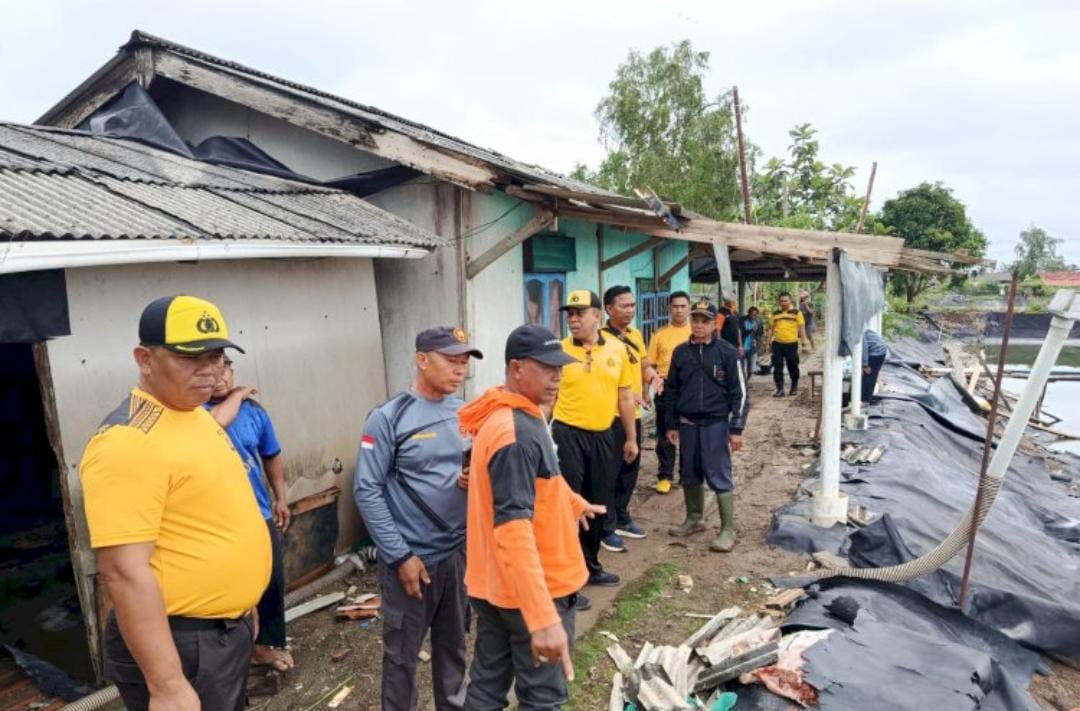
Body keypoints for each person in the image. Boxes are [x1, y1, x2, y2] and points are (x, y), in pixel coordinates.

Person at [79, 295, 269, 711]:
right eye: (190, 358)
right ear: (145, 359)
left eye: (216, 357)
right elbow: (123, 572)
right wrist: (166, 684)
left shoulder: (194, 413)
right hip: (182, 644)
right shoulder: (127, 442)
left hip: (219, 631)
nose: (209, 371)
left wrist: (241, 601)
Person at [460, 325, 605, 710]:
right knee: (542, 697)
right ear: (516, 368)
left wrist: (572, 504)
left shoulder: (508, 415)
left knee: (486, 688)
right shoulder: (517, 432)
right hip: (532, 590)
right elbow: (512, 526)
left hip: (493, 585)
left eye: (560, 367)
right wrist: (542, 617)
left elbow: (535, 485)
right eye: (547, 367)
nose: (557, 376)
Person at [353, 327, 483, 711]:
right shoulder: (388, 418)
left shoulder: (463, 412)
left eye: (464, 362)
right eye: (450, 360)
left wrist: (470, 479)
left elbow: (471, 469)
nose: (459, 371)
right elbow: (367, 490)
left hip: (456, 556)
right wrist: (399, 556)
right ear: (422, 360)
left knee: (454, 646)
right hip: (413, 561)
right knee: (402, 657)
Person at [207, 358, 292, 673]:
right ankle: (232, 650)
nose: (219, 377)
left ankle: (263, 645)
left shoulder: (255, 412)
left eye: (224, 369)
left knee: (271, 580)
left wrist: (281, 498)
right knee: (231, 584)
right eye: (211, 371)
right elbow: (217, 422)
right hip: (216, 520)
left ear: (232, 370)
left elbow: (271, 455)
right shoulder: (194, 415)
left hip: (257, 512)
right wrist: (238, 395)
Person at [551, 290, 638, 595]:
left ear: (597, 316)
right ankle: (567, 578)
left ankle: (591, 566)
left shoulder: (617, 350)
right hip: (566, 434)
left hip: (604, 435)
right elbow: (547, 399)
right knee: (569, 504)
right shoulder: (557, 352)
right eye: (570, 314)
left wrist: (630, 437)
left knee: (599, 503)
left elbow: (625, 396)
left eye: (580, 313)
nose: (573, 319)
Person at [664, 300, 749, 552]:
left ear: (715, 324)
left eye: (705, 321)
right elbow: (671, 390)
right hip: (688, 423)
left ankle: (727, 529)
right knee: (689, 472)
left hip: (716, 424)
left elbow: (740, 393)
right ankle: (694, 519)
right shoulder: (680, 352)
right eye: (696, 320)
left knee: (718, 474)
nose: (699, 325)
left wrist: (736, 429)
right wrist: (671, 424)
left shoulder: (726, 352)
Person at [600, 285, 655, 553]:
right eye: (625, 305)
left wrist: (652, 377)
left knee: (629, 469)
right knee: (608, 473)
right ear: (609, 309)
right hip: (610, 416)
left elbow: (643, 365)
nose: (631, 310)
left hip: (633, 415)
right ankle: (606, 526)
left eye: (633, 305)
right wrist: (625, 393)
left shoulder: (635, 334)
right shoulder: (600, 340)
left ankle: (622, 516)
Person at [646, 291, 692, 494]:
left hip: (690, 390)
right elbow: (650, 364)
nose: (679, 310)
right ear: (669, 308)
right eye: (675, 306)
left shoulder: (696, 331)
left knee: (689, 433)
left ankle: (687, 474)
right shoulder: (660, 334)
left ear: (688, 308)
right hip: (666, 390)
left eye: (683, 306)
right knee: (666, 433)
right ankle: (665, 475)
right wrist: (646, 390)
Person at [767, 292, 813, 397]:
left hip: (791, 344)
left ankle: (794, 387)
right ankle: (779, 389)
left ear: (790, 301)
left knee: (792, 365)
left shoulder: (797, 313)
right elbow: (771, 329)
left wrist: (804, 343)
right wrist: (768, 343)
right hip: (777, 344)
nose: (783, 303)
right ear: (779, 301)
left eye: (785, 301)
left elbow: (801, 329)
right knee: (777, 367)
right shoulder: (775, 313)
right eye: (781, 301)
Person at [861, 329, 889, 403]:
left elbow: (864, 348)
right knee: (872, 376)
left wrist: (865, 364)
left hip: (875, 352)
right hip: (881, 351)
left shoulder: (860, 335)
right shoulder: (865, 329)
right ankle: (867, 397)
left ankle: (865, 399)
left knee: (868, 375)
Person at [740, 307, 765, 380]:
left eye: (755, 315)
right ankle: (742, 378)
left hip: (752, 344)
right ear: (749, 313)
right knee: (742, 362)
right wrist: (751, 330)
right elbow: (740, 332)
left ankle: (748, 377)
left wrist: (756, 340)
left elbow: (760, 333)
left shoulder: (758, 321)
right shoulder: (743, 320)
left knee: (750, 362)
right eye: (752, 314)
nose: (753, 316)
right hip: (742, 343)